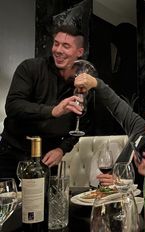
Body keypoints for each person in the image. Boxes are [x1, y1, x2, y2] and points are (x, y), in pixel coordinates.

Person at [0, 24, 85, 181]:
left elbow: (80, 127)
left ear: (79, 52)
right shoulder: (30, 67)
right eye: (56, 43)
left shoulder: (82, 84)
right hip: (11, 156)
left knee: (43, 205)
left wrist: (61, 149)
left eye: (66, 46)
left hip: (47, 160)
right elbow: (13, 105)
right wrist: (52, 111)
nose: (58, 50)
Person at [74, 74, 145, 189]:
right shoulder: (139, 129)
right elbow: (116, 105)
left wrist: (120, 183)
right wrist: (96, 83)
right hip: (115, 198)